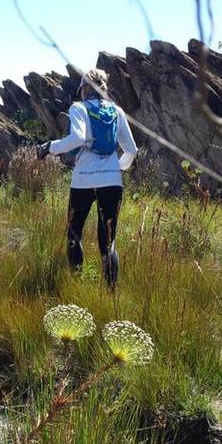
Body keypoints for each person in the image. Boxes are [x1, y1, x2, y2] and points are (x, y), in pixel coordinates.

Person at [37, 68, 138, 287]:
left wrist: (50, 147)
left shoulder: (79, 108)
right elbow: (131, 149)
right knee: (108, 243)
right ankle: (111, 293)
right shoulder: (117, 112)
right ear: (103, 89)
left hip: (83, 180)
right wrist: (116, 169)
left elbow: (77, 138)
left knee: (74, 234)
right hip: (112, 183)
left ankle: (77, 285)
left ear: (84, 89)